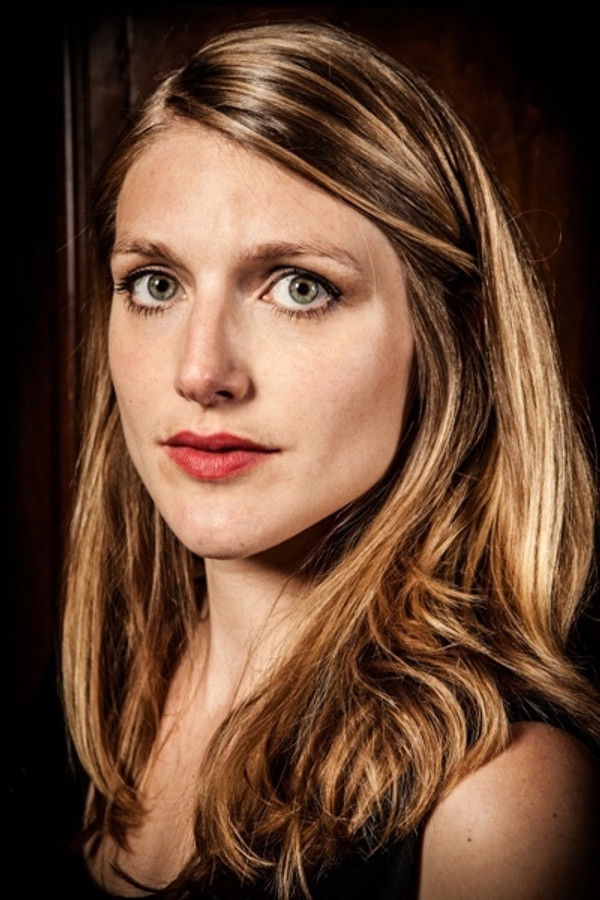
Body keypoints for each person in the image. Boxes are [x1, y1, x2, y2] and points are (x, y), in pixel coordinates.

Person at [12, 17, 600, 900]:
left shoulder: (497, 805)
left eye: (299, 287)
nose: (200, 372)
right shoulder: (94, 696)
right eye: (157, 285)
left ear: (454, 337)